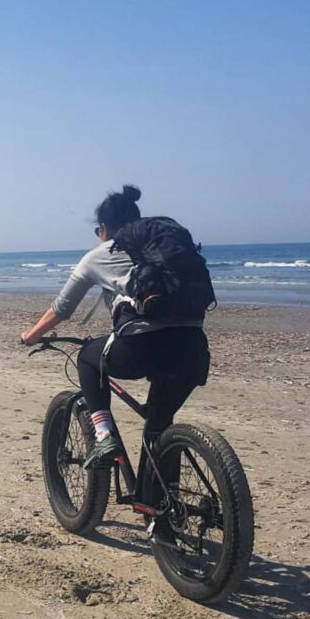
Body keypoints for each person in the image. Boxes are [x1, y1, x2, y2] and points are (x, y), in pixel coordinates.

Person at [20, 184, 210, 467]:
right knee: (159, 427)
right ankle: (162, 504)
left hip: (142, 347)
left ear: (104, 228)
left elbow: (61, 309)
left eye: (98, 231)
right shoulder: (163, 251)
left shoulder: (99, 255)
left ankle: (104, 434)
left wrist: (30, 336)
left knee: (87, 358)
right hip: (193, 347)